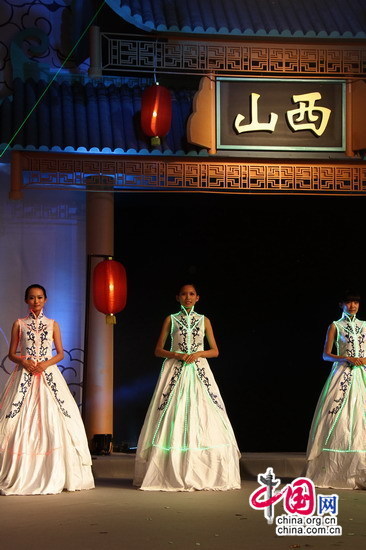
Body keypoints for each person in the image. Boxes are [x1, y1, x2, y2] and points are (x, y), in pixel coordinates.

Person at [133, 283, 241, 491]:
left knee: (204, 413)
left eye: (191, 294)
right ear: (178, 297)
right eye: (184, 294)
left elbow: (215, 351)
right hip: (175, 369)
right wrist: (177, 355)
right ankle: (168, 471)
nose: (188, 297)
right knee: (173, 414)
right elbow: (158, 350)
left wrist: (199, 353)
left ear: (198, 298)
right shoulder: (171, 319)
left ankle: (203, 471)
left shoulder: (204, 320)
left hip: (199, 370)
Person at [0, 284, 94, 495]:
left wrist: (45, 363)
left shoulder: (53, 324)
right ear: (26, 300)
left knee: (57, 417)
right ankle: (21, 472)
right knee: (17, 417)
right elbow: (12, 352)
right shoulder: (19, 324)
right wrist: (24, 362)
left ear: (45, 300)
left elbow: (60, 353)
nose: (36, 301)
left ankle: (57, 472)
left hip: (47, 373)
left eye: (40, 297)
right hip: (25, 373)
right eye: (32, 298)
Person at [305, 291, 366, 489]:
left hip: (362, 373)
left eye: (355, 302)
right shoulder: (335, 325)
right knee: (336, 417)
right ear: (342, 304)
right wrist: (345, 358)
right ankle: (335, 472)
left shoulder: (364, 325)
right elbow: (326, 355)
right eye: (349, 302)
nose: (353, 305)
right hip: (342, 373)